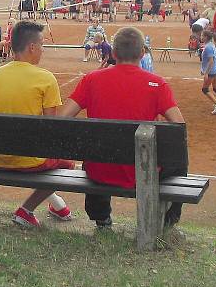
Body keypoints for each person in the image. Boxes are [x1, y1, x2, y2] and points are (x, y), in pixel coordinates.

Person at [59, 26, 185, 230]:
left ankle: (101, 217)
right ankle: (168, 220)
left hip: (99, 169)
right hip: (141, 168)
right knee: (177, 158)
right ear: (143, 53)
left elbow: (63, 118)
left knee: (97, 151)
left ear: (113, 53)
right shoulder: (157, 84)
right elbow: (178, 127)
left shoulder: (91, 80)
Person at [0, 20, 73, 228]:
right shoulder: (46, 78)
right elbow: (51, 128)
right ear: (32, 47)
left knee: (47, 158)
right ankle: (27, 209)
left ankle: (56, 203)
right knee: (67, 165)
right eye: (42, 45)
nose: (43, 50)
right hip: (28, 161)